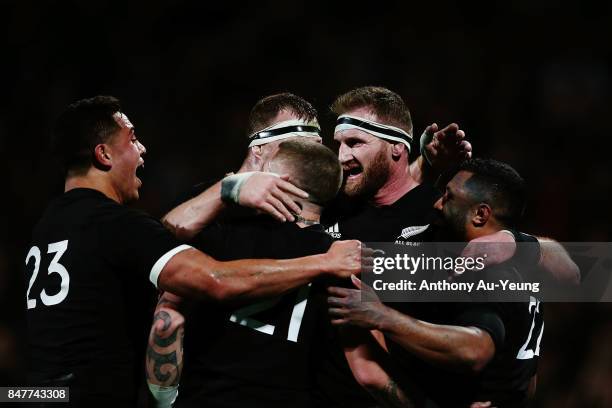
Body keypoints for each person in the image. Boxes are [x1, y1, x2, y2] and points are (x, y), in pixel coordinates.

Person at [24, 96, 363, 407]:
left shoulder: (48, 223)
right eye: (131, 139)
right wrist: (323, 262)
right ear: (104, 154)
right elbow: (211, 280)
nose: (142, 149)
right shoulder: (124, 222)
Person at [314, 86, 578, 408]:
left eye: (355, 143)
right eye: (338, 143)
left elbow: (569, 274)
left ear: (397, 148)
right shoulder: (331, 202)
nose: (340, 156)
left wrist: (517, 241)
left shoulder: (445, 220)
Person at [328, 158, 545, 407]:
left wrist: (382, 317)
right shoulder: (526, 266)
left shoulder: (483, 271)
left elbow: (475, 351)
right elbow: (529, 383)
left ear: (480, 214)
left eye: (449, 196)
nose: (438, 203)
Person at [151, 139, 344, 408]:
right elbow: (364, 370)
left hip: (207, 395)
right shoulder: (341, 258)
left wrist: (163, 400)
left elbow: (164, 238)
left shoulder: (226, 231)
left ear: (278, 180)